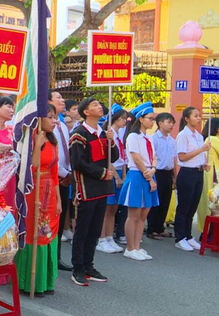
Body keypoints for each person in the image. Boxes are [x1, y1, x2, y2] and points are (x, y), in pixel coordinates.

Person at [68, 97, 118, 286]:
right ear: (86, 112)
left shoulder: (104, 133)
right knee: (82, 230)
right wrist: (102, 173)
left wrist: (111, 142)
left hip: (102, 188)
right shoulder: (78, 134)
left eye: (99, 104)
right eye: (95, 105)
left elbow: (113, 156)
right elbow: (78, 163)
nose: (100, 107)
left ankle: (89, 265)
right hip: (86, 188)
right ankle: (78, 268)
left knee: (95, 230)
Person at [14, 104, 61, 297]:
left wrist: (58, 200)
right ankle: (29, 281)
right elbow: (28, 169)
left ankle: (47, 280)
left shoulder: (54, 141)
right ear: (39, 119)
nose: (54, 121)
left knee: (49, 232)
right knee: (36, 233)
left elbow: (55, 172)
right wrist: (37, 146)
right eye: (50, 117)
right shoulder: (31, 139)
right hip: (33, 191)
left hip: (50, 191)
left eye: (55, 117)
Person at [118, 102, 158, 261]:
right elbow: (135, 157)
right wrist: (148, 175)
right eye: (150, 118)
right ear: (140, 119)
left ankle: (137, 246)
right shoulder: (133, 136)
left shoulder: (148, 137)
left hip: (149, 173)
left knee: (143, 214)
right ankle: (130, 247)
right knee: (133, 214)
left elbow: (154, 157)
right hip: (137, 174)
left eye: (153, 119)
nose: (152, 121)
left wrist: (153, 170)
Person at [174, 107, 210, 252]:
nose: (199, 118)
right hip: (187, 173)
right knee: (184, 206)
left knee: (193, 206)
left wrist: (204, 163)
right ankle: (179, 237)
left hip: (198, 172)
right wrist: (201, 150)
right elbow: (182, 157)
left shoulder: (198, 135)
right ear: (187, 119)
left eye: (199, 116)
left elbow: (198, 156)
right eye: (195, 116)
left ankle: (188, 236)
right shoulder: (183, 135)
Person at [96, 104, 126, 254]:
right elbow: (109, 158)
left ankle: (109, 237)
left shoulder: (119, 133)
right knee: (107, 208)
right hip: (112, 172)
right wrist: (116, 175)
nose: (125, 121)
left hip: (120, 171)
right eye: (122, 118)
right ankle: (101, 239)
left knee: (114, 208)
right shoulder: (108, 133)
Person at [48, 91, 73, 271]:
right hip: (53, 177)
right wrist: (64, 174)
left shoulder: (63, 125)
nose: (62, 100)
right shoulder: (44, 125)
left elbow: (65, 152)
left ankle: (57, 257)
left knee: (61, 216)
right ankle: (48, 257)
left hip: (65, 177)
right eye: (58, 98)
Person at [197, 118, 219, 233]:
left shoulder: (206, 138)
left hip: (208, 173)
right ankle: (211, 232)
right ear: (218, 128)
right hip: (215, 174)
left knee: (207, 202)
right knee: (216, 204)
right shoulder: (213, 139)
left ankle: (205, 230)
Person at [147, 113, 179, 239]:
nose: (171, 125)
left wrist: (175, 176)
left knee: (166, 201)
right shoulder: (154, 138)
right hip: (157, 172)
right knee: (156, 202)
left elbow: (174, 159)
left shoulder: (172, 140)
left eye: (172, 123)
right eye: (168, 122)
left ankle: (160, 228)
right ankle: (152, 229)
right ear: (160, 123)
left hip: (167, 173)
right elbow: (151, 158)